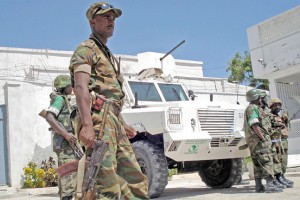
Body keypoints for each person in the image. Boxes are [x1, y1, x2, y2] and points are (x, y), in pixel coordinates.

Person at [69, 2, 149, 199]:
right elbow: (81, 88)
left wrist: (122, 124)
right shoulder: (86, 50)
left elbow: (111, 98)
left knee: (134, 179)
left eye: (113, 17)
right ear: (92, 22)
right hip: (99, 122)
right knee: (107, 184)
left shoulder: (106, 54)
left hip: (113, 121)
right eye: (106, 16)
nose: (111, 20)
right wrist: (87, 126)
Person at [45, 75, 77, 200]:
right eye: (70, 85)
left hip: (67, 143)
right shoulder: (60, 99)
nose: (72, 88)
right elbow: (49, 117)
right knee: (68, 177)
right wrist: (66, 134)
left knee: (69, 178)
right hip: (65, 144)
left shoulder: (65, 100)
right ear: (65, 87)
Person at [243, 89, 282, 193]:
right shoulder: (253, 108)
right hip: (258, 141)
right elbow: (254, 124)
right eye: (259, 98)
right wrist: (262, 137)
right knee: (266, 161)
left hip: (252, 142)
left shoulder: (249, 108)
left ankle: (259, 186)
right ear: (255, 98)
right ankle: (270, 185)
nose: (261, 99)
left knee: (257, 163)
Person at [269, 98, 294, 187]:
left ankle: (282, 176)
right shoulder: (270, 116)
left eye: (279, 105)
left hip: (284, 141)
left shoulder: (280, 116)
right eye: (275, 105)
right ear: (271, 106)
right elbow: (271, 129)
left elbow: (284, 128)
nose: (278, 107)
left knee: (284, 161)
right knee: (277, 161)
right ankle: (277, 178)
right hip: (277, 141)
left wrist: (285, 120)